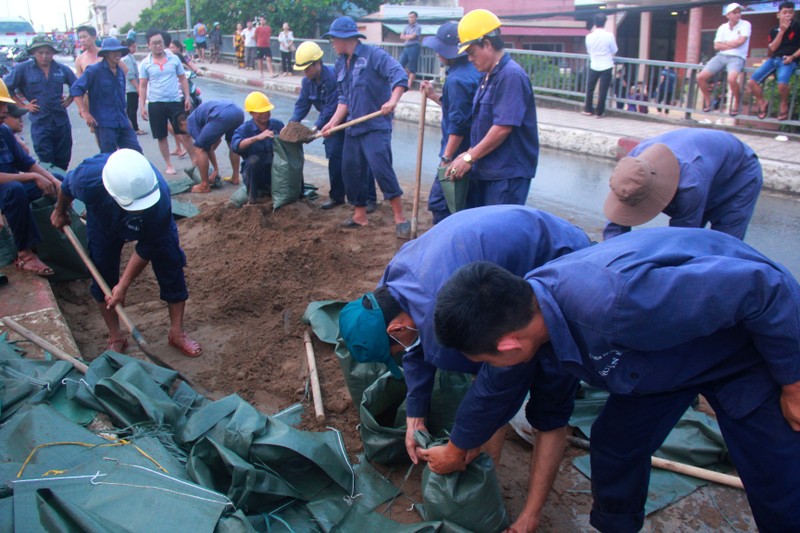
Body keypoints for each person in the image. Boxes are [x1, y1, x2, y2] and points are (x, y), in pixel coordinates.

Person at [427, 228, 800, 533]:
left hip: (740, 352)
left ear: (509, 343)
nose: (492, 367)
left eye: (486, 359)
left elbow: (765, 287)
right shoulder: (533, 307)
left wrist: (793, 382)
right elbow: (496, 390)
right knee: (614, 443)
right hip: (658, 364)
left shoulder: (618, 304)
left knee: (777, 480)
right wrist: (458, 446)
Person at [338, 205, 590, 469]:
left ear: (395, 330)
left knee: (546, 398)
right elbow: (416, 349)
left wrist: (457, 448)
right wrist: (416, 416)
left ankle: (501, 479)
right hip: (531, 232)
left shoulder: (439, 304)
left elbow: (499, 379)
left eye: (396, 349)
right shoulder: (392, 286)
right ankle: (488, 460)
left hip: (563, 261)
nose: (403, 351)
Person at [51, 149, 202, 358]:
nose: (137, 209)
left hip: (153, 226)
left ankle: (177, 332)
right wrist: (60, 212)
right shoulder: (88, 179)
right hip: (104, 224)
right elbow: (66, 187)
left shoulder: (159, 197)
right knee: (101, 274)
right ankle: (116, 336)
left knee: (170, 264)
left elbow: (147, 247)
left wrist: (123, 285)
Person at [320, 16, 410, 238]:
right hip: (353, 126)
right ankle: (360, 215)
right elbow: (344, 99)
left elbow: (399, 76)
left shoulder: (374, 56)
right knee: (351, 170)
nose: (332, 43)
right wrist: (332, 123)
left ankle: (400, 217)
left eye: (333, 39)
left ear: (345, 38)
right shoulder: (340, 63)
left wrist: (392, 101)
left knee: (382, 170)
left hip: (375, 125)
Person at [446, 9, 539, 208]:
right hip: (490, 169)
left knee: (500, 231)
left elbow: (503, 127)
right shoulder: (488, 76)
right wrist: (468, 153)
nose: (470, 59)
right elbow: (484, 123)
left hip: (506, 173)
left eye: (472, 52)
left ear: (487, 44)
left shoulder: (510, 76)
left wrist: (470, 157)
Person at [603, 128, 762, 241]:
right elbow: (614, 227)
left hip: (738, 173)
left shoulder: (689, 185)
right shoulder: (633, 166)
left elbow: (680, 241)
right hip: (705, 163)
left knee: (723, 244)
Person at [420, 22, 481, 223]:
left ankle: (445, 244)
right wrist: (433, 96)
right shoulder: (473, 71)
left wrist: (446, 159)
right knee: (463, 203)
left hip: (458, 154)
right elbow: (457, 109)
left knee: (440, 202)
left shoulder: (457, 80)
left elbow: (458, 125)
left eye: (440, 50)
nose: (438, 54)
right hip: (473, 152)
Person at [0, 79, 61, 277]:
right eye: (0, 106)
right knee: (15, 191)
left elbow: (26, 162)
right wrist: (32, 176)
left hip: (11, 184)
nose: (5, 111)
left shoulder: (4, 132)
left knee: (56, 181)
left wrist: (53, 180)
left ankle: (65, 230)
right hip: (7, 188)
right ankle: (25, 254)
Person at [3, 36, 77, 171]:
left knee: (63, 157)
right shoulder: (23, 69)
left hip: (61, 121)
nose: (44, 56)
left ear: (53, 53)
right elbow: (7, 87)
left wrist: (69, 99)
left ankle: (61, 185)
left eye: (48, 53)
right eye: (40, 53)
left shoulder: (61, 69)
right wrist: (23, 105)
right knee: (46, 159)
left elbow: (77, 85)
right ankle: (52, 187)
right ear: (33, 53)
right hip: (40, 122)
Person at [290, 41, 347, 208]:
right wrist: (293, 124)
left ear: (317, 63)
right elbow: (302, 104)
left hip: (343, 121)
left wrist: (315, 128)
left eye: (308, 68)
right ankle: (337, 197)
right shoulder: (307, 82)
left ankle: (366, 199)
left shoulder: (332, 78)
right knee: (334, 158)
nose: (305, 72)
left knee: (353, 160)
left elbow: (330, 107)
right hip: (328, 124)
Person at [70, 38, 142, 154]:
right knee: (108, 156)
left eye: (119, 51)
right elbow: (76, 89)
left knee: (135, 153)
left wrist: (126, 118)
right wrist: (84, 111)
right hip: (105, 123)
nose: (117, 54)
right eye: (113, 52)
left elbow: (120, 98)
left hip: (122, 121)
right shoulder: (94, 71)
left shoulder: (120, 72)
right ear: (106, 54)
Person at [139, 29, 192, 176]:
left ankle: (195, 160)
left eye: (160, 43)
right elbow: (143, 85)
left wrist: (187, 97)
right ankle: (169, 164)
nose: (158, 46)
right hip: (156, 103)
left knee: (185, 131)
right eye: (154, 43)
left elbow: (182, 78)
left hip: (175, 101)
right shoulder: (145, 64)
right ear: (148, 45)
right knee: (161, 135)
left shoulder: (174, 59)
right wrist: (142, 106)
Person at [746, 1, 800, 121]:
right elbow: (772, 48)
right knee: (752, 82)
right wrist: (781, 31)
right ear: (778, 14)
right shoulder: (774, 29)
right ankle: (762, 102)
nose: (787, 15)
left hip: (789, 60)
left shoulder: (798, 27)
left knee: (781, 84)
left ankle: (784, 104)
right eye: (785, 12)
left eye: (790, 12)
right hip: (774, 59)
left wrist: (792, 57)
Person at [697, 3, 751, 115]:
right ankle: (708, 100)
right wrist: (732, 44)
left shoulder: (745, 24)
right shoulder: (722, 27)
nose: (738, 15)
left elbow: (741, 42)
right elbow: (716, 46)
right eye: (734, 12)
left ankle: (737, 102)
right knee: (700, 77)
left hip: (737, 57)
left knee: (732, 79)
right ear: (728, 15)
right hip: (721, 56)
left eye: (739, 12)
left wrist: (725, 44)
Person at [231, 92, 284, 203]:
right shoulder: (245, 129)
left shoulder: (277, 125)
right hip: (255, 175)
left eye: (267, 110)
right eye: (260, 112)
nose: (265, 113)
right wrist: (257, 138)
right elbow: (236, 146)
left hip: (275, 173)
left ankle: (297, 194)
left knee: (293, 159)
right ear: (251, 113)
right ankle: (253, 197)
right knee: (253, 160)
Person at [186, 100, 244, 193]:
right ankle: (235, 177)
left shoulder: (190, 122)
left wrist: (215, 168)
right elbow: (216, 141)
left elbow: (203, 147)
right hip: (237, 112)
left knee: (199, 149)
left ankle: (204, 185)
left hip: (222, 115)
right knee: (232, 144)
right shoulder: (200, 114)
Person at [582, 13, 618, 118]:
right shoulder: (609, 35)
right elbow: (614, 50)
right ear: (604, 22)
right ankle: (600, 112)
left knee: (590, 88)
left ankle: (588, 109)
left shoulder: (589, 36)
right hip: (607, 64)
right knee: (603, 90)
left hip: (594, 64)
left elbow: (588, 50)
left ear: (595, 22)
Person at [121, 39, 145, 136]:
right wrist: (137, 87)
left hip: (131, 87)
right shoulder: (127, 58)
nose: (135, 49)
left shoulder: (129, 57)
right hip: (131, 88)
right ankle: (134, 128)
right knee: (132, 109)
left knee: (131, 108)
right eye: (133, 47)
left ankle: (132, 127)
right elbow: (130, 75)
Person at [399, 11, 422, 89]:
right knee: (400, 64)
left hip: (414, 47)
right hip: (406, 47)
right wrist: (407, 36)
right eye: (409, 17)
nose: (410, 19)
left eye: (412, 17)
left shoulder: (418, 27)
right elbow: (401, 36)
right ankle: (406, 80)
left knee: (412, 67)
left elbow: (413, 36)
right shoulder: (406, 27)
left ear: (416, 18)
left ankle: (409, 85)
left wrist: (406, 36)